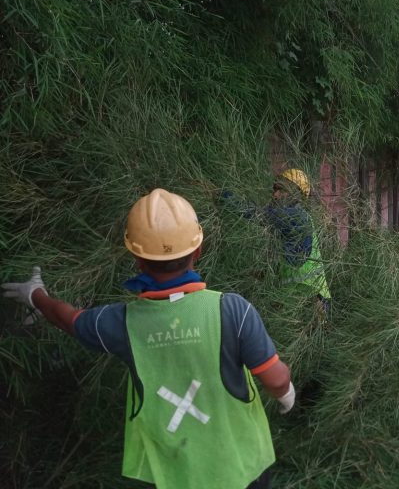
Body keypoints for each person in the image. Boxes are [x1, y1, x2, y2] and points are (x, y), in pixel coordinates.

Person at [2, 189, 294, 489]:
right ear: (197, 250)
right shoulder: (232, 310)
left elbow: (70, 320)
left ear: (137, 259)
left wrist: (35, 295)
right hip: (243, 469)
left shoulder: (121, 323)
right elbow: (275, 378)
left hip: (175, 474)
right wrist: (286, 395)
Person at [264, 169, 332, 315]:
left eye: (281, 190)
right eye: (275, 189)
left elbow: (258, 215)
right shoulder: (295, 219)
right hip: (299, 297)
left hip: (310, 300)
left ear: (295, 195)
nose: (275, 195)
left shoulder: (295, 217)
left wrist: (225, 198)